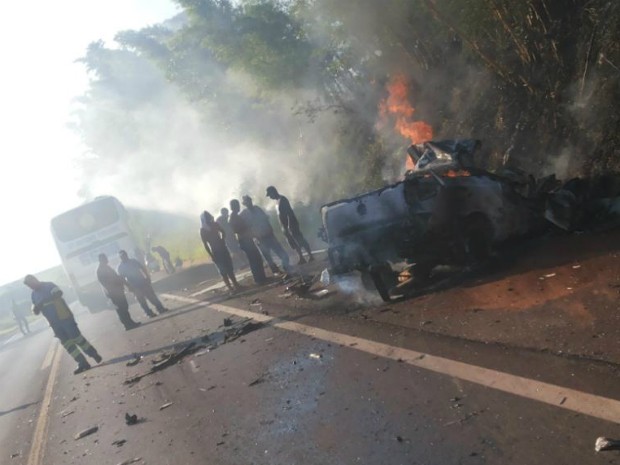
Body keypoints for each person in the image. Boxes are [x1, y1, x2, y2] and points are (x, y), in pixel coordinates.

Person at [23, 275, 102, 374]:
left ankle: (93, 354)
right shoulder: (33, 294)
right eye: (29, 286)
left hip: (64, 317)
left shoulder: (49, 285)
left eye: (31, 284)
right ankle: (82, 363)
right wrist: (35, 308)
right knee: (67, 344)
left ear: (35, 279)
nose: (31, 287)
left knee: (77, 338)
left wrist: (43, 301)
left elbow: (59, 293)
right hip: (54, 323)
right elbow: (35, 310)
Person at [240, 195, 290, 274]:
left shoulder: (257, 208)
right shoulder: (244, 214)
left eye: (249, 200)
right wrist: (253, 235)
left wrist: (270, 230)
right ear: (244, 204)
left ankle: (286, 265)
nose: (249, 203)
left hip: (268, 234)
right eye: (247, 202)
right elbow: (244, 227)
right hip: (260, 238)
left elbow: (266, 219)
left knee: (280, 251)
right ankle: (275, 270)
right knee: (268, 256)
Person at [266, 185, 314, 264]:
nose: (270, 197)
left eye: (270, 195)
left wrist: (289, 225)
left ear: (273, 192)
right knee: (293, 242)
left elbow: (289, 213)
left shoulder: (282, 199)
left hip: (291, 224)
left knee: (299, 239)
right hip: (284, 226)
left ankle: (310, 255)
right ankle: (301, 257)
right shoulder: (277, 202)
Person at [117, 250, 168, 318]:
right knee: (142, 301)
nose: (124, 257)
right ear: (120, 258)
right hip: (134, 285)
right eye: (122, 256)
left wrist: (147, 277)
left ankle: (160, 308)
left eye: (125, 255)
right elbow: (122, 279)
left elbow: (142, 268)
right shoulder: (121, 267)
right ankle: (149, 313)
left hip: (142, 282)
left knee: (151, 296)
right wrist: (128, 286)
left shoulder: (133, 261)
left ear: (126, 255)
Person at [96, 253, 141, 331]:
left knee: (124, 306)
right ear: (101, 259)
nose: (107, 259)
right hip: (114, 293)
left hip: (118, 291)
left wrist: (124, 284)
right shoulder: (100, 270)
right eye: (105, 258)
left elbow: (116, 277)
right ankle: (127, 325)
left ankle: (130, 322)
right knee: (121, 309)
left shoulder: (106, 267)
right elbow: (106, 282)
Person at [200, 210, 241, 292]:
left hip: (222, 249)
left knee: (229, 267)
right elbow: (205, 244)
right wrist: (211, 255)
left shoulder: (214, 224)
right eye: (207, 216)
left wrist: (222, 239)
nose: (209, 217)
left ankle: (235, 284)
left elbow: (223, 231)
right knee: (223, 270)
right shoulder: (203, 230)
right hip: (216, 251)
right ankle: (230, 287)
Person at [229, 199, 266, 285]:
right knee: (254, 259)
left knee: (256, 258)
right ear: (233, 207)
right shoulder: (233, 217)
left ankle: (261, 278)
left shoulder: (236, 216)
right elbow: (235, 230)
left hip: (247, 239)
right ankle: (259, 279)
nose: (238, 207)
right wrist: (245, 228)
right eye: (236, 205)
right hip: (244, 240)